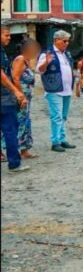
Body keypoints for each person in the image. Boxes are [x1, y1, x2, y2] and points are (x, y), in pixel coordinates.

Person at [37, 30, 77, 153]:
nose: (66, 43)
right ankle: (55, 141)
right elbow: (39, 70)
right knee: (56, 116)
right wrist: (46, 62)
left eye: (68, 41)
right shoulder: (47, 53)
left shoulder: (67, 54)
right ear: (56, 40)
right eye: (64, 41)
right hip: (54, 89)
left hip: (66, 89)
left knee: (63, 116)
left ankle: (62, 138)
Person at [0, 25, 30, 172]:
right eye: (6, 35)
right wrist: (16, 92)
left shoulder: (3, 52)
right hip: (4, 98)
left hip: (5, 97)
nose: (9, 37)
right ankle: (14, 163)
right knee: (10, 129)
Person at [10, 39, 40, 158]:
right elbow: (15, 78)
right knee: (19, 122)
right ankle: (13, 150)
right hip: (20, 98)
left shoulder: (26, 61)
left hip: (26, 98)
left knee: (25, 122)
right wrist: (21, 96)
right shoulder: (20, 59)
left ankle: (24, 150)